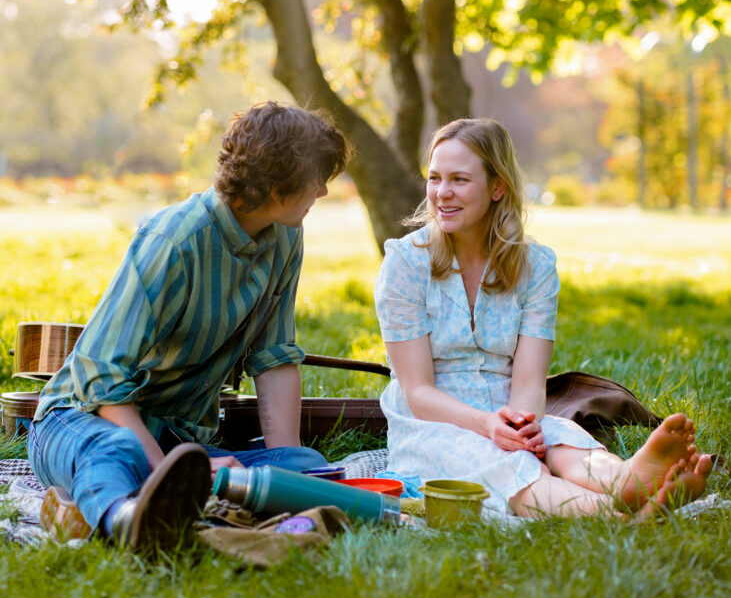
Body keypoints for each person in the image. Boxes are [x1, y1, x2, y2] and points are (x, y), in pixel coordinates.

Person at [28, 102, 352, 550]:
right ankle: (126, 520)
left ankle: (99, 506)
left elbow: (273, 357)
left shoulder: (286, 237)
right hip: (80, 421)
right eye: (318, 178)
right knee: (117, 454)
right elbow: (102, 382)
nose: (324, 191)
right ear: (279, 187)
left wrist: (279, 478)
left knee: (304, 464)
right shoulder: (174, 241)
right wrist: (165, 472)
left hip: (177, 439)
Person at [374, 117, 712, 520]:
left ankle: (626, 481)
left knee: (562, 440)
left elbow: (530, 380)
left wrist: (525, 423)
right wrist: (488, 425)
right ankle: (618, 513)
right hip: (432, 422)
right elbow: (418, 393)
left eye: (459, 180)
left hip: (511, 409)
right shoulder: (405, 263)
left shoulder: (535, 266)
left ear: (498, 187)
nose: (442, 193)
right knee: (506, 465)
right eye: (434, 178)